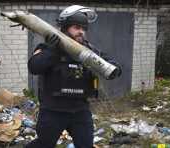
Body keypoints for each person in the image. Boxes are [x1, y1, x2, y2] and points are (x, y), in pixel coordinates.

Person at [26, 5, 121, 148]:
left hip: (80, 111)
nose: (81, 32)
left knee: (85, 145)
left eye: (83, 29)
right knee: (43, 144)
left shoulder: (88, 51)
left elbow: (109, 63)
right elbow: (34, 67)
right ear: (65, 28)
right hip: (53, 111)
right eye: (77, 27)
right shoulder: (47, 47)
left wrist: (115, 69)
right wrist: (54, 51)